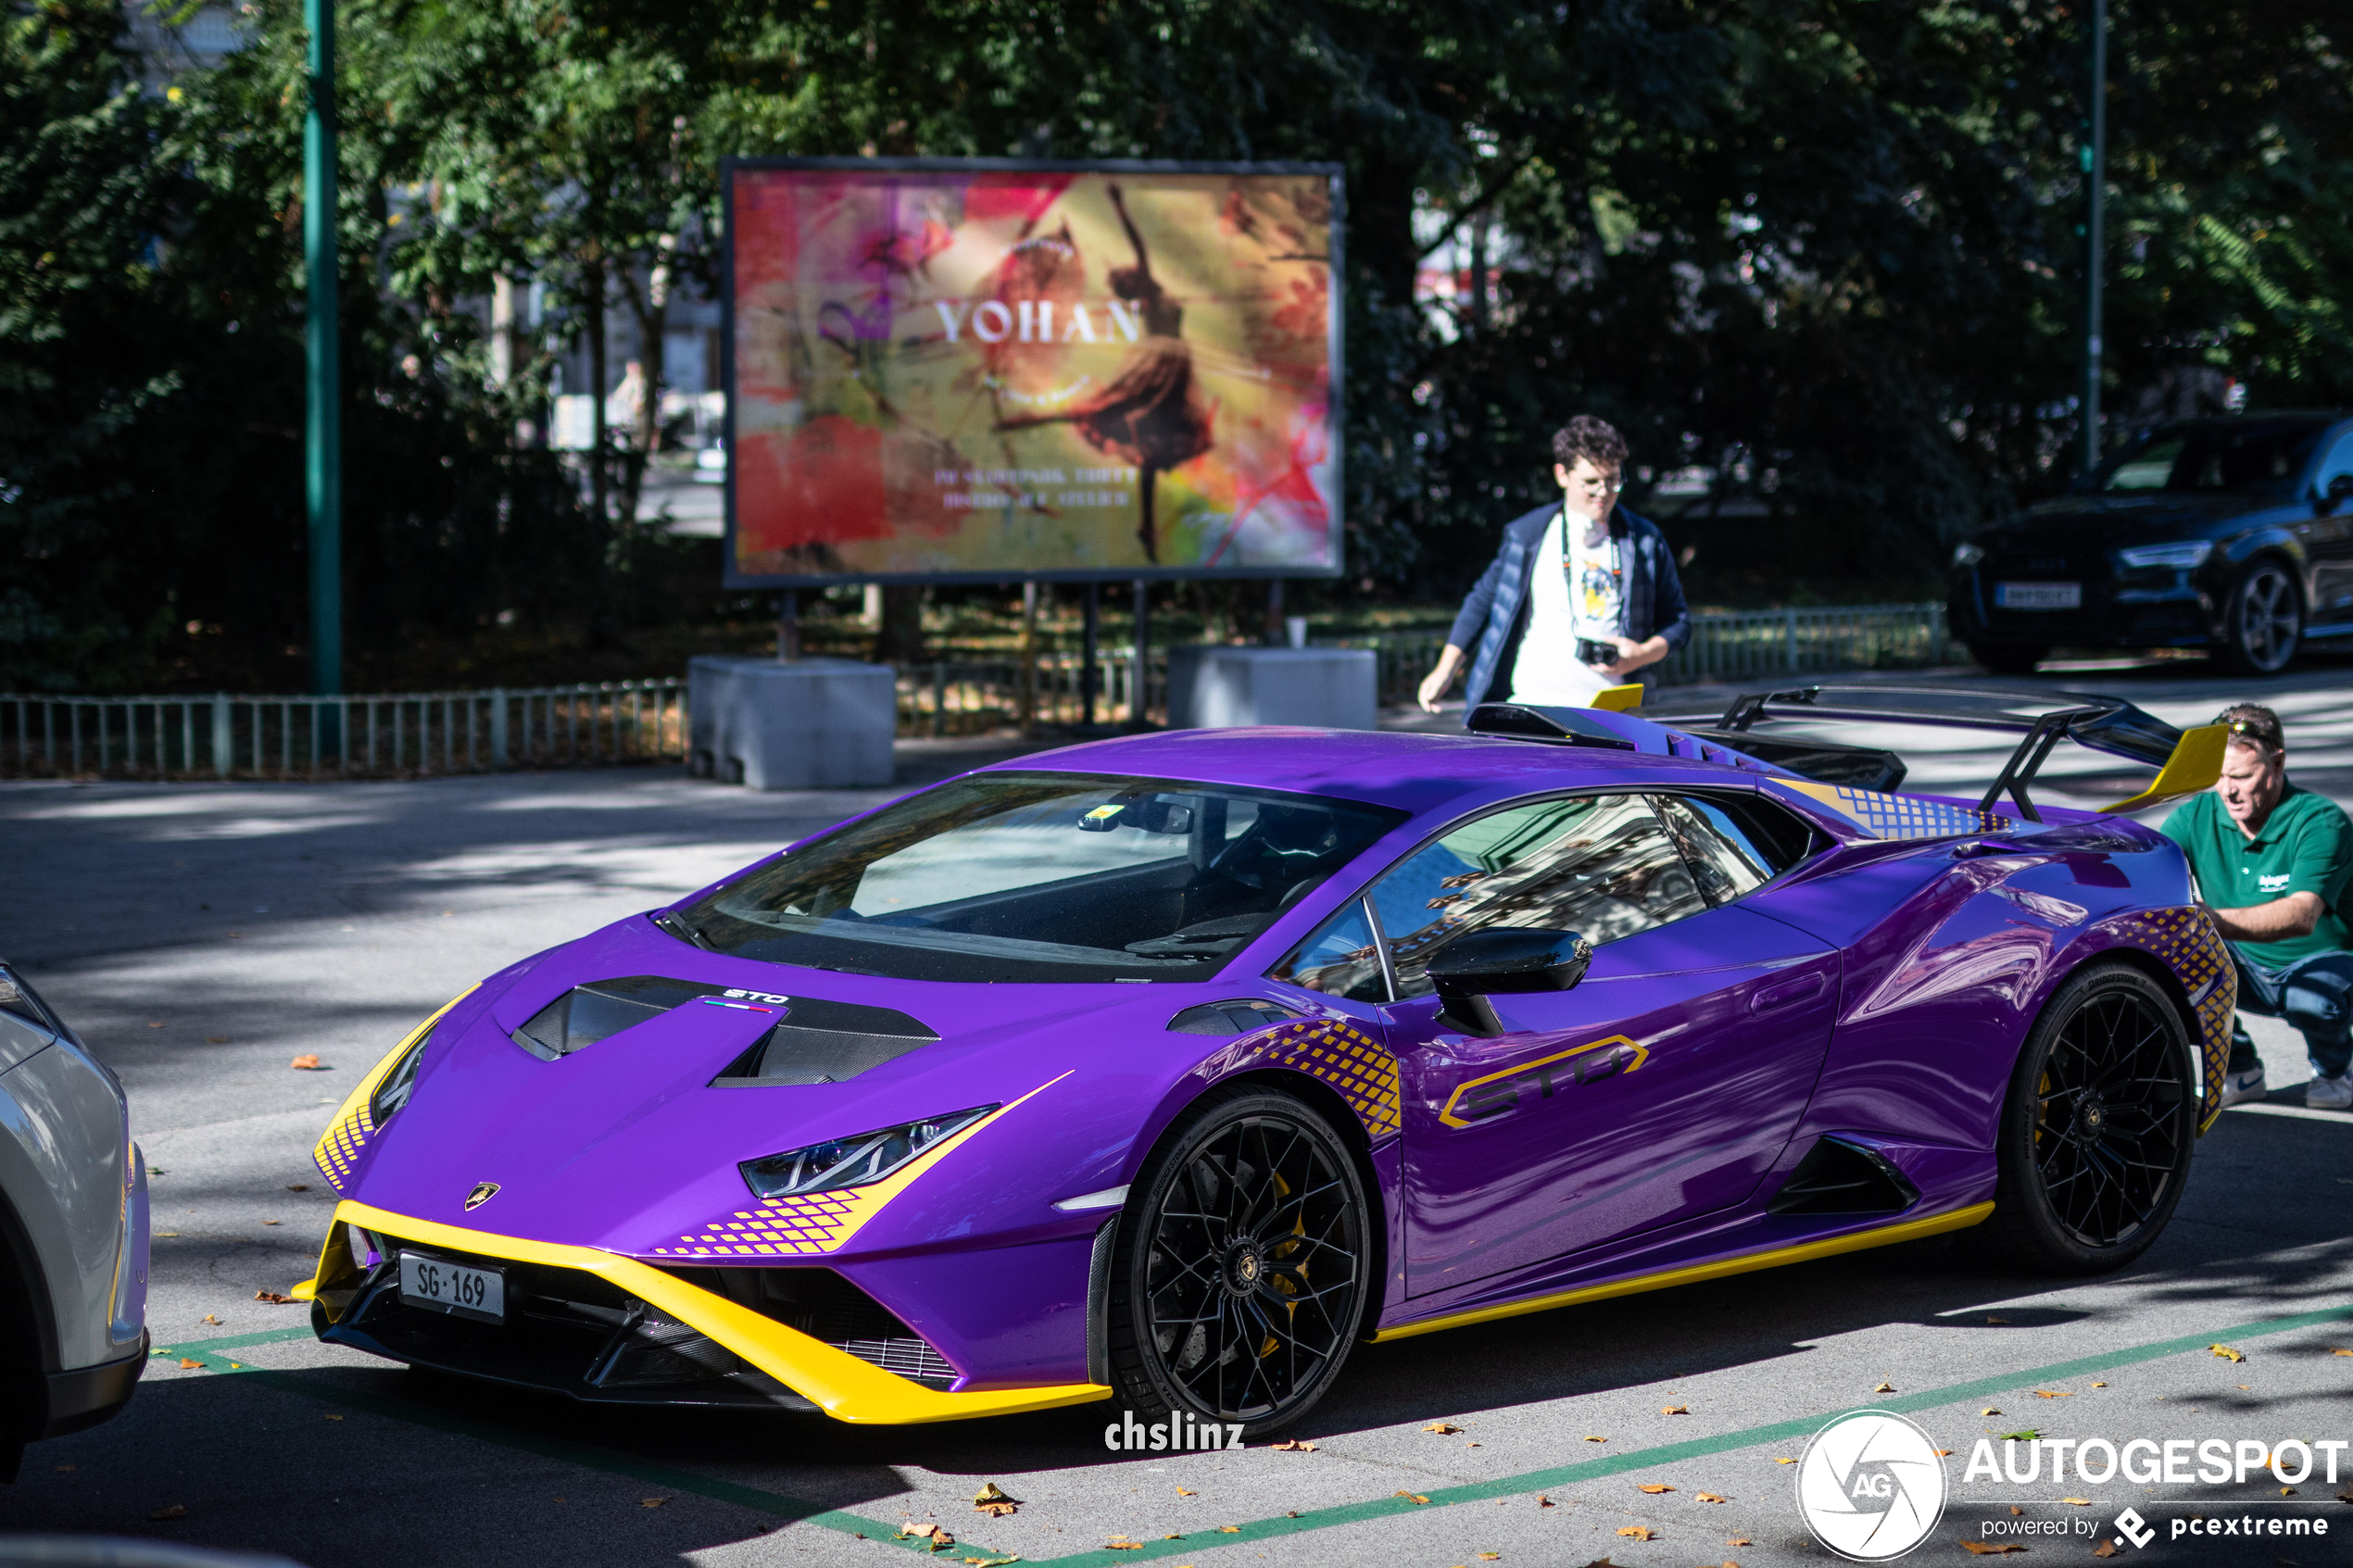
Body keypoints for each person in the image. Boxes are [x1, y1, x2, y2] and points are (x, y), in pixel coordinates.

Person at [1417, 417, 1691, 715]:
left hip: (1613, 715)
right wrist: (1444, 670)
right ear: (1562, 475)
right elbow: (1481, 602)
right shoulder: (1528, 534)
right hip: (1530, 706)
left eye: (1613, 480)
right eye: (1591, 482)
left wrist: (1641, 654)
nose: (1604, 492)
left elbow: (1678, 622)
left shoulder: (1644, 539)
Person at [2160, 703, 2353, 1110]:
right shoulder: (2194, 817)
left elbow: (2302, 916)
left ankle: (2336, 1070)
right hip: (2242, 963)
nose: (2227, 790)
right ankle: (2239, 1069)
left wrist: (2210, 920)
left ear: (2278, 763)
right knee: (2165, 965)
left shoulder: (2320, 820)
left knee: (2311, 998)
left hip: (2321, 961)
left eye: (2242, 776)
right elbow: (2146, 872)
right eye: (2219, 776)